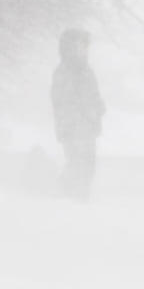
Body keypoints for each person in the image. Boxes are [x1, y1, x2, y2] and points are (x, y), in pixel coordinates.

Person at [51, 28, 105, 200]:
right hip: (72, 126)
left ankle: (80, 199)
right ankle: (67, 195)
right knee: (77, 163)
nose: (83, 49)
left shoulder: (87, 71)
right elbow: (62, 101)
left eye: (85, 46)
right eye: (79, 45)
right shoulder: (64, 72)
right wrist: (83, 111)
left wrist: (98, 108)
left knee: (88, 164)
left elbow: (94, 95)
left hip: (87, 125)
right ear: (69, 48)